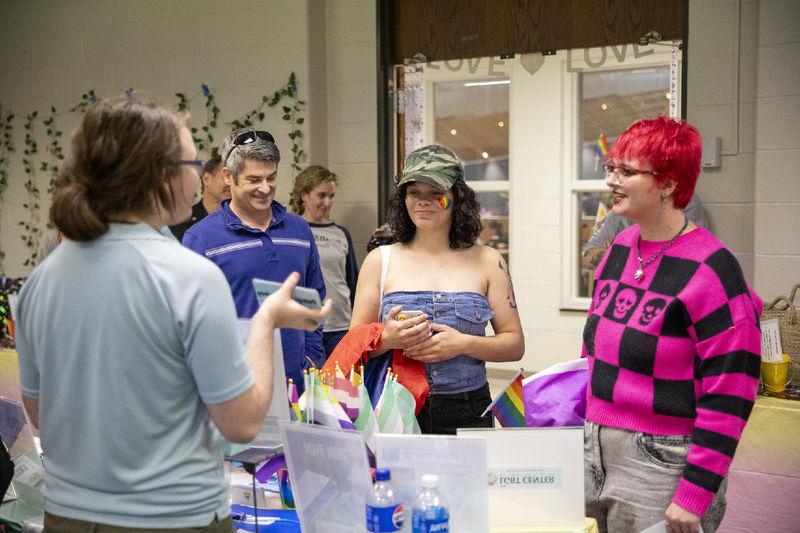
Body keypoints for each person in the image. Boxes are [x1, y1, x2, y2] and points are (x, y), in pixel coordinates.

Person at [14, 97, 329, 531]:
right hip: (173, 519)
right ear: (159, 176)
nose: (201, 175)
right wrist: (265, 322)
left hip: (66, 516)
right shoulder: (189, 275)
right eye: (192, 161)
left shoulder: (42, 282)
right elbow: (242, 423)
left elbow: (40, 416)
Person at [581, 116, 762, 533]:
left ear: (666, 183)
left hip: (663, 461)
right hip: (594, 448)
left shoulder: (713, 268)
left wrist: (695, 492)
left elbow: (732, 389)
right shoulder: (620, 250)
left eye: (626, 171)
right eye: (612, 168)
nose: (612, 180)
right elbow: (593, 349)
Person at [350, 144, 525, 435]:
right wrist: (387, 338)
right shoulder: (379, 261)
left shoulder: (488, 261)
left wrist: (464, 344)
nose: (423, 201)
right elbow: (353, 345)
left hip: (468, 409)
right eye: (414, 192)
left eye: (435, 193)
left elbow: (515, 344)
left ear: (457, 198)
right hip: (395, 410)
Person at [183, 129, 326, 393]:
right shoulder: (201, 239)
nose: (265, 188)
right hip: (235, 389)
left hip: (299, 388)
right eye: (254, 179)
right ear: (228, 177)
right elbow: (192, 324)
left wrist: (311, 358)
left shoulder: (300, 231)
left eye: (271, 178)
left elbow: (314, 298)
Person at [290, 165, 358, 358]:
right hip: (307, 325)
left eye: (331, 196)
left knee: (342, 386)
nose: (327, 202)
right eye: (321, 195)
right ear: (304, 195)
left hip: (341, 325)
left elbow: (352, 281)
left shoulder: (341, 233)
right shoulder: (292, 232)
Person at [581, 194, 707, 270]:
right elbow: (588, 257)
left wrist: (616, 250)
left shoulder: (684, 201)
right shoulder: (621, 207)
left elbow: (686, 259)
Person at [169, 154, 230, 241]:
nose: (231, 183)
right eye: (226, 177)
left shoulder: (243, 220)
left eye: (234, 178)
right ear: (206, 179)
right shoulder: (181, 221)